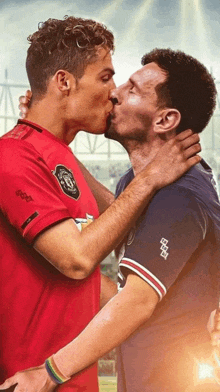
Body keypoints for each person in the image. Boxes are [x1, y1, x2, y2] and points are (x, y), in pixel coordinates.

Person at [0, 18, 201, 392]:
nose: (113, 93)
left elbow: (93, 268)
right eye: (106, 77)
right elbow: (77, 260)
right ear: (64, 82)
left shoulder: (59, 160)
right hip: (26, 382)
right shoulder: (11, 154)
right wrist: (150, 178)